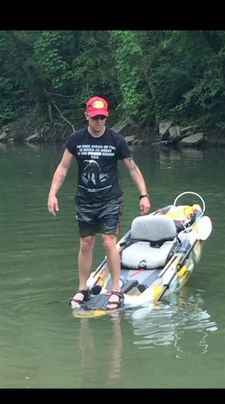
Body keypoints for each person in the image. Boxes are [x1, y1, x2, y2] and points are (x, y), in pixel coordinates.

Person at [47, 96, 151, 310]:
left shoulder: (116, 140)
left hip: (110, 200)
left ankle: (115, 290)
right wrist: (52, 194)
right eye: (95, 118)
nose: (99, 121)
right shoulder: (76, 139)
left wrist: (143, 194)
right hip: (84, 200)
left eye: (102, 117)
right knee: (86, 243)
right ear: (87, 116)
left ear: (107, 117)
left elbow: (132, 168)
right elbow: (63, 168)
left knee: (108, 241)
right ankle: (82, 288)